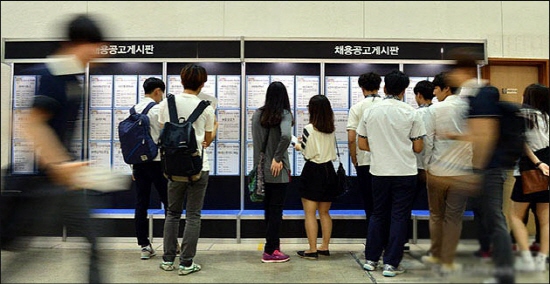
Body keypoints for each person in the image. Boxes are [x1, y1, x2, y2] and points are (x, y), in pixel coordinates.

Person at [0, 14, 108, 283]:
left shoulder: (73, 77)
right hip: (45, 183)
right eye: (97, 47)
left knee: (94, 240)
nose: (99, 54)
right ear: (80, 43)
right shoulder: (53, 73)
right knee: (26, 252)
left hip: (65, 185)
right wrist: (60, 164)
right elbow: (31, 124)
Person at [444, 52, 517, 284]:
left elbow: (486, 134)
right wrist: (456, 136)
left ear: (463, 71)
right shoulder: (476, 95)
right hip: (487, 167)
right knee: (490, 218)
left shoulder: (481, 95)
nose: (450, 77)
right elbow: (479, 132)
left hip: (489, 168)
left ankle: (505, 274)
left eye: (453, 72)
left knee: (495, 219)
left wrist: (478, 171)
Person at [356, 70, 425, 277]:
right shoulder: (411, 113)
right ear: (405, 91)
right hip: (405, 172)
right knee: (399, 216)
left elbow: (361, 143)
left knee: (378, 214)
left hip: (379, 171)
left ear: (385, 88)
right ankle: (391, 264)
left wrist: (380, 148)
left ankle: (371, 259)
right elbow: (419, 147)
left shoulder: (371, 111)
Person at [158, 64, 216, 276]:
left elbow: (166, 132)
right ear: (202, 83)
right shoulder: (206, 107)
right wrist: (214, 128)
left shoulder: (167, 103)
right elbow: (207, 140)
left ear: (182, 81)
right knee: (193, 215)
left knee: (172, 213)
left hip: (173, 166)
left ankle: (167, 260)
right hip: (198, 166)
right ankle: (186, 263)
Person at [421, 72, 473, 273]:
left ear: (446, 89)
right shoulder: (470, 109)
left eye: (436, 89)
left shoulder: (434, 109)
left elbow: (428, 141)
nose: (434, 93)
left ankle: (435, 255)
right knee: (454, 217)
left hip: (438, 171)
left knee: (436, 215)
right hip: (463, 171)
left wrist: (426, 166)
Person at [251, 81, 293, 263]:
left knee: (268, 210)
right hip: (278, 170)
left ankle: (272, 247)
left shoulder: (257, 114)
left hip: (261, 170)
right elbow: (285, 135)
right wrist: (277, 157)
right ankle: (271, 250)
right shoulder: (284, 114)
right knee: (276, 210)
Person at [509, 83, 549, 272]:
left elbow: (521, 143)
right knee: (546, 220)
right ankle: (542, 259)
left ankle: (525, 256)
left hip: (528, 172)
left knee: (516, 216)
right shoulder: (548, 117)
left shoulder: (525, 115)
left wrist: (537, 162)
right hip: (548, 174)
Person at [294, 94, 337, 260]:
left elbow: (307, 153)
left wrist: (298, 145)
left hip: (313, 171)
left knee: (310, 213)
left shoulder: (309, 128)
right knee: (325, 212)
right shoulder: (330, 128)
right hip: (329, 170)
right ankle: (324, 246)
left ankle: (312, 249)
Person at [131, 77, 169, 260]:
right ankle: (172, 244)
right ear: (157, 91)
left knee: (141, 203)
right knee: (170, 203)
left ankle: (144, 246)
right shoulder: (159, 109)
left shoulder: (133, 109)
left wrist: (133, 166)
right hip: (158, 162)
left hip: (138, 163)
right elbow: (167, 133)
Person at [346, 72, 382, 239]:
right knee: (385, 204)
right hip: (387, 163)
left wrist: (354, 159)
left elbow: (352, 138)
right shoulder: (387, 105)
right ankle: (388, 242)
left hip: (364, 161)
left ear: (362, 88)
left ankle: (373, 241)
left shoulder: (357, 108)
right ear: (380, 85)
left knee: (370, 204)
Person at [412, 80, 435, 210]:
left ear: (419, 95)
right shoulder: (437, 112)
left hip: (416, 164)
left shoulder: (414, 114)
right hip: (435, 166)